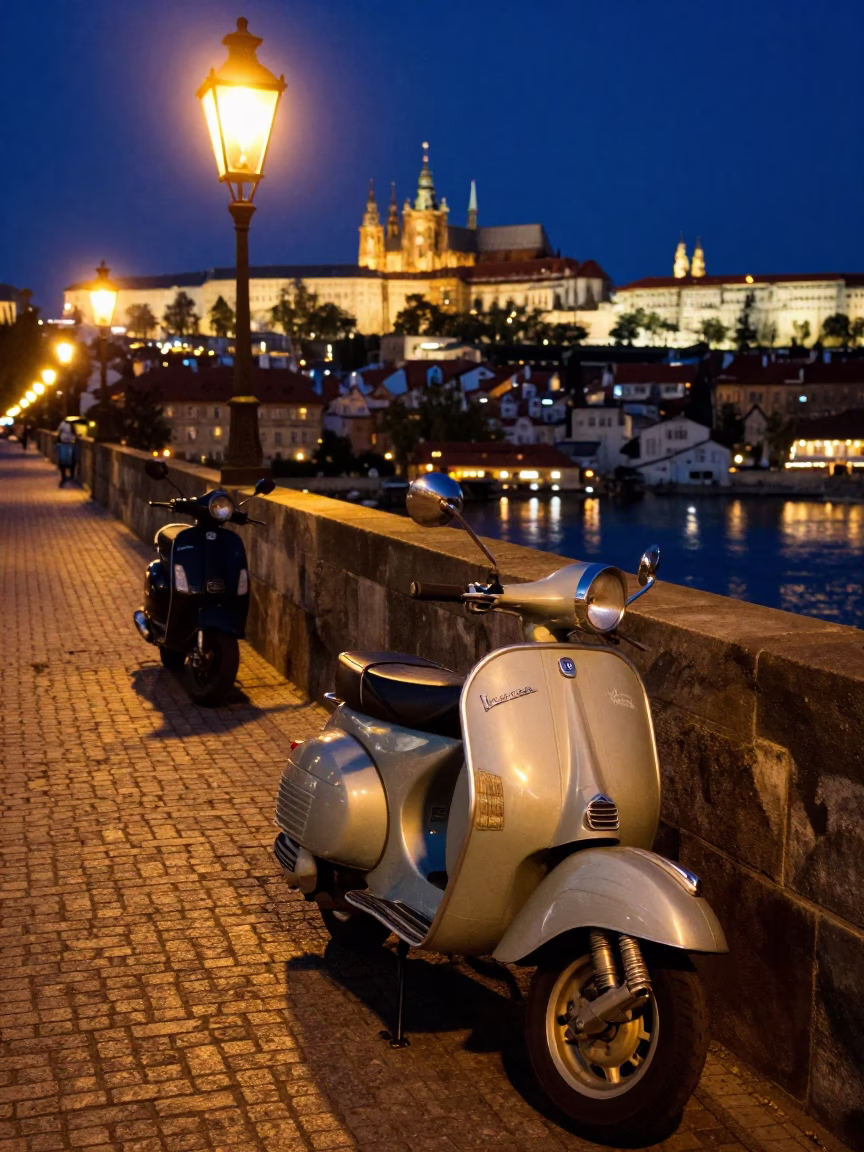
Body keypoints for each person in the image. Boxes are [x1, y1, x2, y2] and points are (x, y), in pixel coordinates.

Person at [56, 419, 77, 487]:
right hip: (68, 444)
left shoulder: (64, 424)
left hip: (66, 444)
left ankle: (65, 477)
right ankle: (68, 476)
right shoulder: (70, 425)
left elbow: (59, 432)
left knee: (64, 461)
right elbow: (74, 435)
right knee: (68, 461)